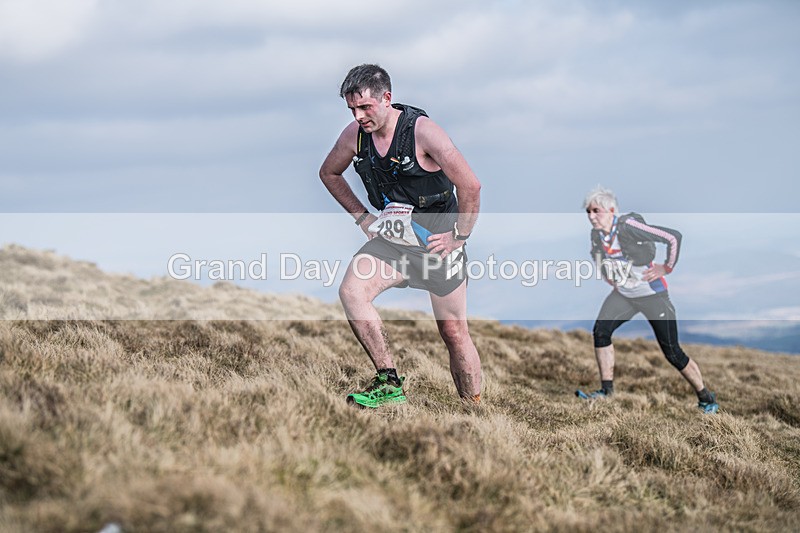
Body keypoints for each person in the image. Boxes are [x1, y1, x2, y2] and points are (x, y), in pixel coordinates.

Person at [319, 64, 482, 408]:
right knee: (352, 291)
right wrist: (361, 216)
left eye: (365, 107)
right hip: (393, 240)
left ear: (386, 98)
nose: (359, 116)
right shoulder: (355, 136)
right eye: (352, 109)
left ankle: (474, 406)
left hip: (437, 244)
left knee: (453, 333)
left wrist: (459, 236)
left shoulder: (424, 133)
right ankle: (388, 382)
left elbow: (470, 185)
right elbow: (329, 172)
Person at [576, 186, 719, 414]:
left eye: (597, 210)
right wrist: (610, 278)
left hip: (653, 296)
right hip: (624, 295)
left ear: (611, 210)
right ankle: (606, 391)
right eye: (588, 212)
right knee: (601, 332)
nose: (592, 216)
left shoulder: (628, 227)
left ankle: (706, 397)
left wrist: (667, 268)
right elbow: (597, 257)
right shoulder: (597, 235)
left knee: (672, 352)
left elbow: (673, 237)